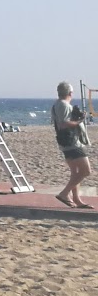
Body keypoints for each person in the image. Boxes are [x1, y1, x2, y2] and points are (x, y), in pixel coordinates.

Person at [51, 81, 92, 209]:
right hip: (72, 143)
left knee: (76, 172)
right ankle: (64, 194)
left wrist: (76, 118)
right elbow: (64, 124)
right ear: (70, 93)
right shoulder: (63, 104)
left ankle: (76, 199)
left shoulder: (58, 104)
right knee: (86, 171)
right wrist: (80, 120)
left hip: (66, 142)